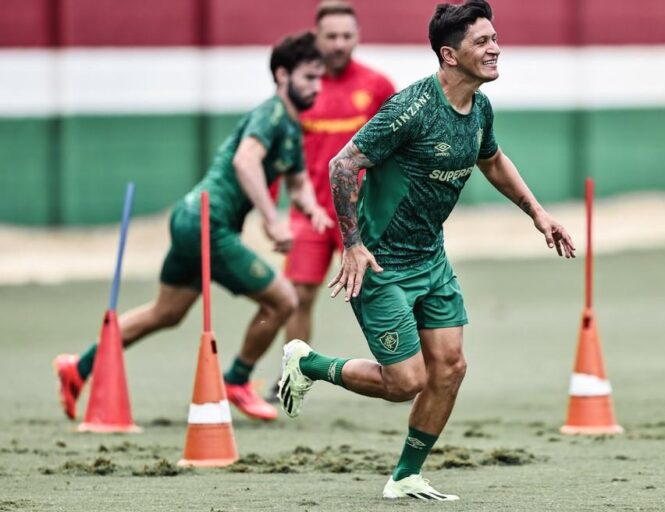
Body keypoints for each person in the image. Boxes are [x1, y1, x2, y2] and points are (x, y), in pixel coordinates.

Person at [276, 0, 576, 501]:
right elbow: (343, 166)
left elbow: (493, 159)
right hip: (381, 264)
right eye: (482, 42)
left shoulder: (479, 106)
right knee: (406, 382)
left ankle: (406, 476)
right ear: (449, 54)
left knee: (452, 368)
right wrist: (351, 245)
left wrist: (537, 213)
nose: (495, 48)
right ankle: (307, 364)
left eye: (494, 38)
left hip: (431, 259)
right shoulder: (408, 109)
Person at [54, 32, 332, 423]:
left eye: (320, 78)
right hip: (207, 223)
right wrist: (272, 219)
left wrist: (313, 208)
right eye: (308, 77)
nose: (316, 87)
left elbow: (298, 182)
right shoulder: (270, 115)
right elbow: (245, 162)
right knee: (284, 300)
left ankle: (77, 368)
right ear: (282, 75)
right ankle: (237, 381)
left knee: (165, 313)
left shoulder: (289, 125)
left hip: (189, 218)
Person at [271, 1, 396, 401]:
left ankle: (398, 371)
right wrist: (271, 212)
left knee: (383, 290)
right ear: (317, 37)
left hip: (362, 217)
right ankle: (290, 375)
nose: (340, 43)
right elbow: (279, 150)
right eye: (331, 36)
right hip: (309, 217)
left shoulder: (377, 85)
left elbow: (396, 148)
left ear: (356, 37)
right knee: (298, 297)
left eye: (347, 35)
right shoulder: (304, 84)